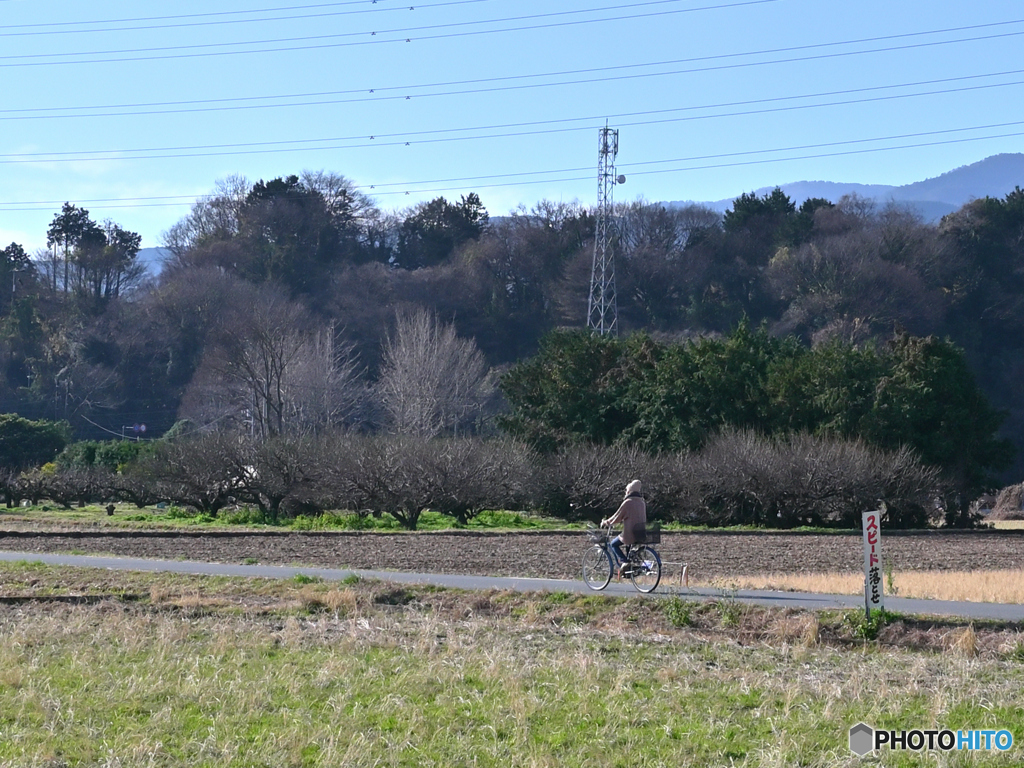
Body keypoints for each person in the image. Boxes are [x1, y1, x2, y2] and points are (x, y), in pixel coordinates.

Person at [600, 480, 647, 577]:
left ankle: (624, 561)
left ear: (629, 491)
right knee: (629, 548)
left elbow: (617, 517)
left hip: (629, 534)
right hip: (640, 533)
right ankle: (628, 570)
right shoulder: (642, 502)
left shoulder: (628, 502)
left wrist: (606, 522)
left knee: (613, 544)